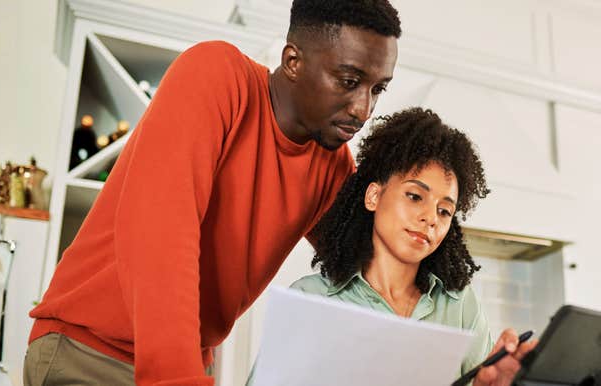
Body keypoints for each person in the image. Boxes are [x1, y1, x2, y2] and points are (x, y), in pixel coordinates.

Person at [23, 1, 401, 385]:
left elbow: (374, 272)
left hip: (188, 361)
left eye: (378, 89)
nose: (363, 109)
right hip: (89, 351)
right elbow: (161, 234)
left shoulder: (334, 165)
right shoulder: (216, 75)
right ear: (293, 61)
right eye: (349, 81)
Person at [249, 108, 537, 386]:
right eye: (414, 196)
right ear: (374, 196)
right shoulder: (311, 299)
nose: (430, 218)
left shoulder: (460, 305)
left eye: (445, 211)